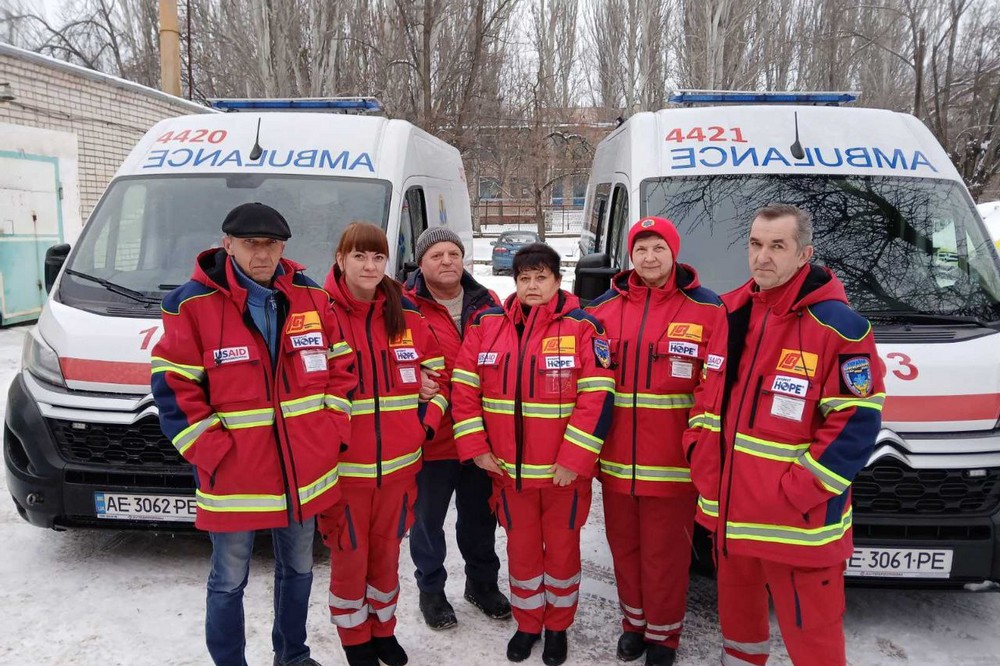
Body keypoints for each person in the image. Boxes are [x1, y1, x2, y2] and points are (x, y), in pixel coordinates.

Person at [151, 202, 354, 666]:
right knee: (228, 580)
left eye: (271, 244)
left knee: (299, 569)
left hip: (305, 471)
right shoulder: (190, 304)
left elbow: (341, 368)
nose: (262, 254)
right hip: (234, 477)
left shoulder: (312, 297)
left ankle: (293, 655)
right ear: (228, 245)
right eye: (250, 244)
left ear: (283, 247)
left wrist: (330, 433)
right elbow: (174, 389)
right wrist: (214, 452)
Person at [689, 203, 885, 666]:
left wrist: (798, 492)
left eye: (778, 246)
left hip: (797, 527)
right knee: (740, 637)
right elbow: (705, 395)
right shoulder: (729, 312)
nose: (763, 257)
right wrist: (700, 455)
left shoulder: (840, 326)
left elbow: (856, 423)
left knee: (814, 644)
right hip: (731, 517)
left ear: (804, 254)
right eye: (756, 244)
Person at [451, 243, 616, 666]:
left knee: (562, 555)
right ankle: (528, 625)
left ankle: (557, 627)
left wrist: (574, 460)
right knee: (522, 554)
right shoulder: (486, 325)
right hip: (510, 475)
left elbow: (597, 398)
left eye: (541, 277)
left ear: (558, 281)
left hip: (564, 477)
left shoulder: (584, 328)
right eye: (524, 278)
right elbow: (464, 390)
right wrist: (477, 449)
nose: (532, 286)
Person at [585, 217, 727, 666]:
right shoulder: (602, 309)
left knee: (665, 556)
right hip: (615, 462)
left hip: (673, 463)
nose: (649, 258)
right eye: (641, 249)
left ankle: (664, 636)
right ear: (631, 255)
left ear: (674, 252)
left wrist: (698, 448)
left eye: (658, 248)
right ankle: (634, 625)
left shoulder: (708, 309)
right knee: (624, 550)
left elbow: (713, 388)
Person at [319, 222, 450, 666]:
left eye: (378, 257)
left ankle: (383, 630)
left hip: (399, 471)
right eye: (360, 256)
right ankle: (355, 639)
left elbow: (441, 379)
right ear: (341, 259)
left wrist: (423, 427)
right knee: (350, 558)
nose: (370, 266)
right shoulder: (321, 315)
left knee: (387, 556)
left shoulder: (406, 316)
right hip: (345, 473)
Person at [403, 227, 511, 630]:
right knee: (427, 520)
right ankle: (431, 590)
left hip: (481, 434)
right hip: (433, 436)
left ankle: (482, 584)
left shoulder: (489, 301)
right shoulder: (403, 305)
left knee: (480, 517)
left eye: (453, 253)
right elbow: (387, 352)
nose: (447, 261)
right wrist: (411, 378)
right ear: (421, 263)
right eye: (436, 255)